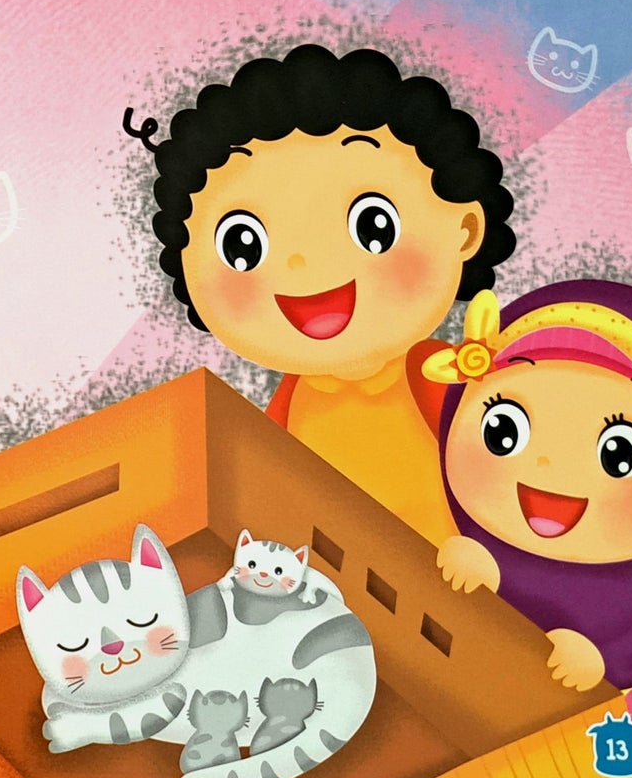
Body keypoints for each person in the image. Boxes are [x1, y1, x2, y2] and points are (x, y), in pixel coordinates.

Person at [130, 41, 515, 543]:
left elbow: (502, 484)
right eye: (242, 245)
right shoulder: (290, 401)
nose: (300, 263)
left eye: (373, 225)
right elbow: (264, 484)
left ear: (465, 230)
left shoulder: (445, 377)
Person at [429, 280, 632, 695]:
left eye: (618, 454)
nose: (549, 465)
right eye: (503, 430)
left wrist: (607, 660)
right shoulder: (485, 532)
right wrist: (477, 566)